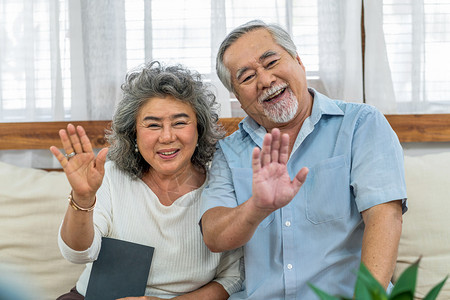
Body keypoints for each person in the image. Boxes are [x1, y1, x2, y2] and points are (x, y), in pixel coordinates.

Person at [200, 20, 407, 299]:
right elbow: (214, 236)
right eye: (247, 77)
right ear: (237, 96)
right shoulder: (228, 151)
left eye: (271, 62)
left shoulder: (361, 123)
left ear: (298, 61)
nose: (265, 80)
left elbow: (385, 216)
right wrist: (257, 207)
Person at [50, 61, 243, 299]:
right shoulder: (110, 176)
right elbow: (78, 254)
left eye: (180, 123)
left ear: (199, 129)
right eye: (153, 125)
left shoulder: (223, 182)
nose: (167, 136)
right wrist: (83, 197)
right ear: (134, 133)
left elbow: (233, 278)